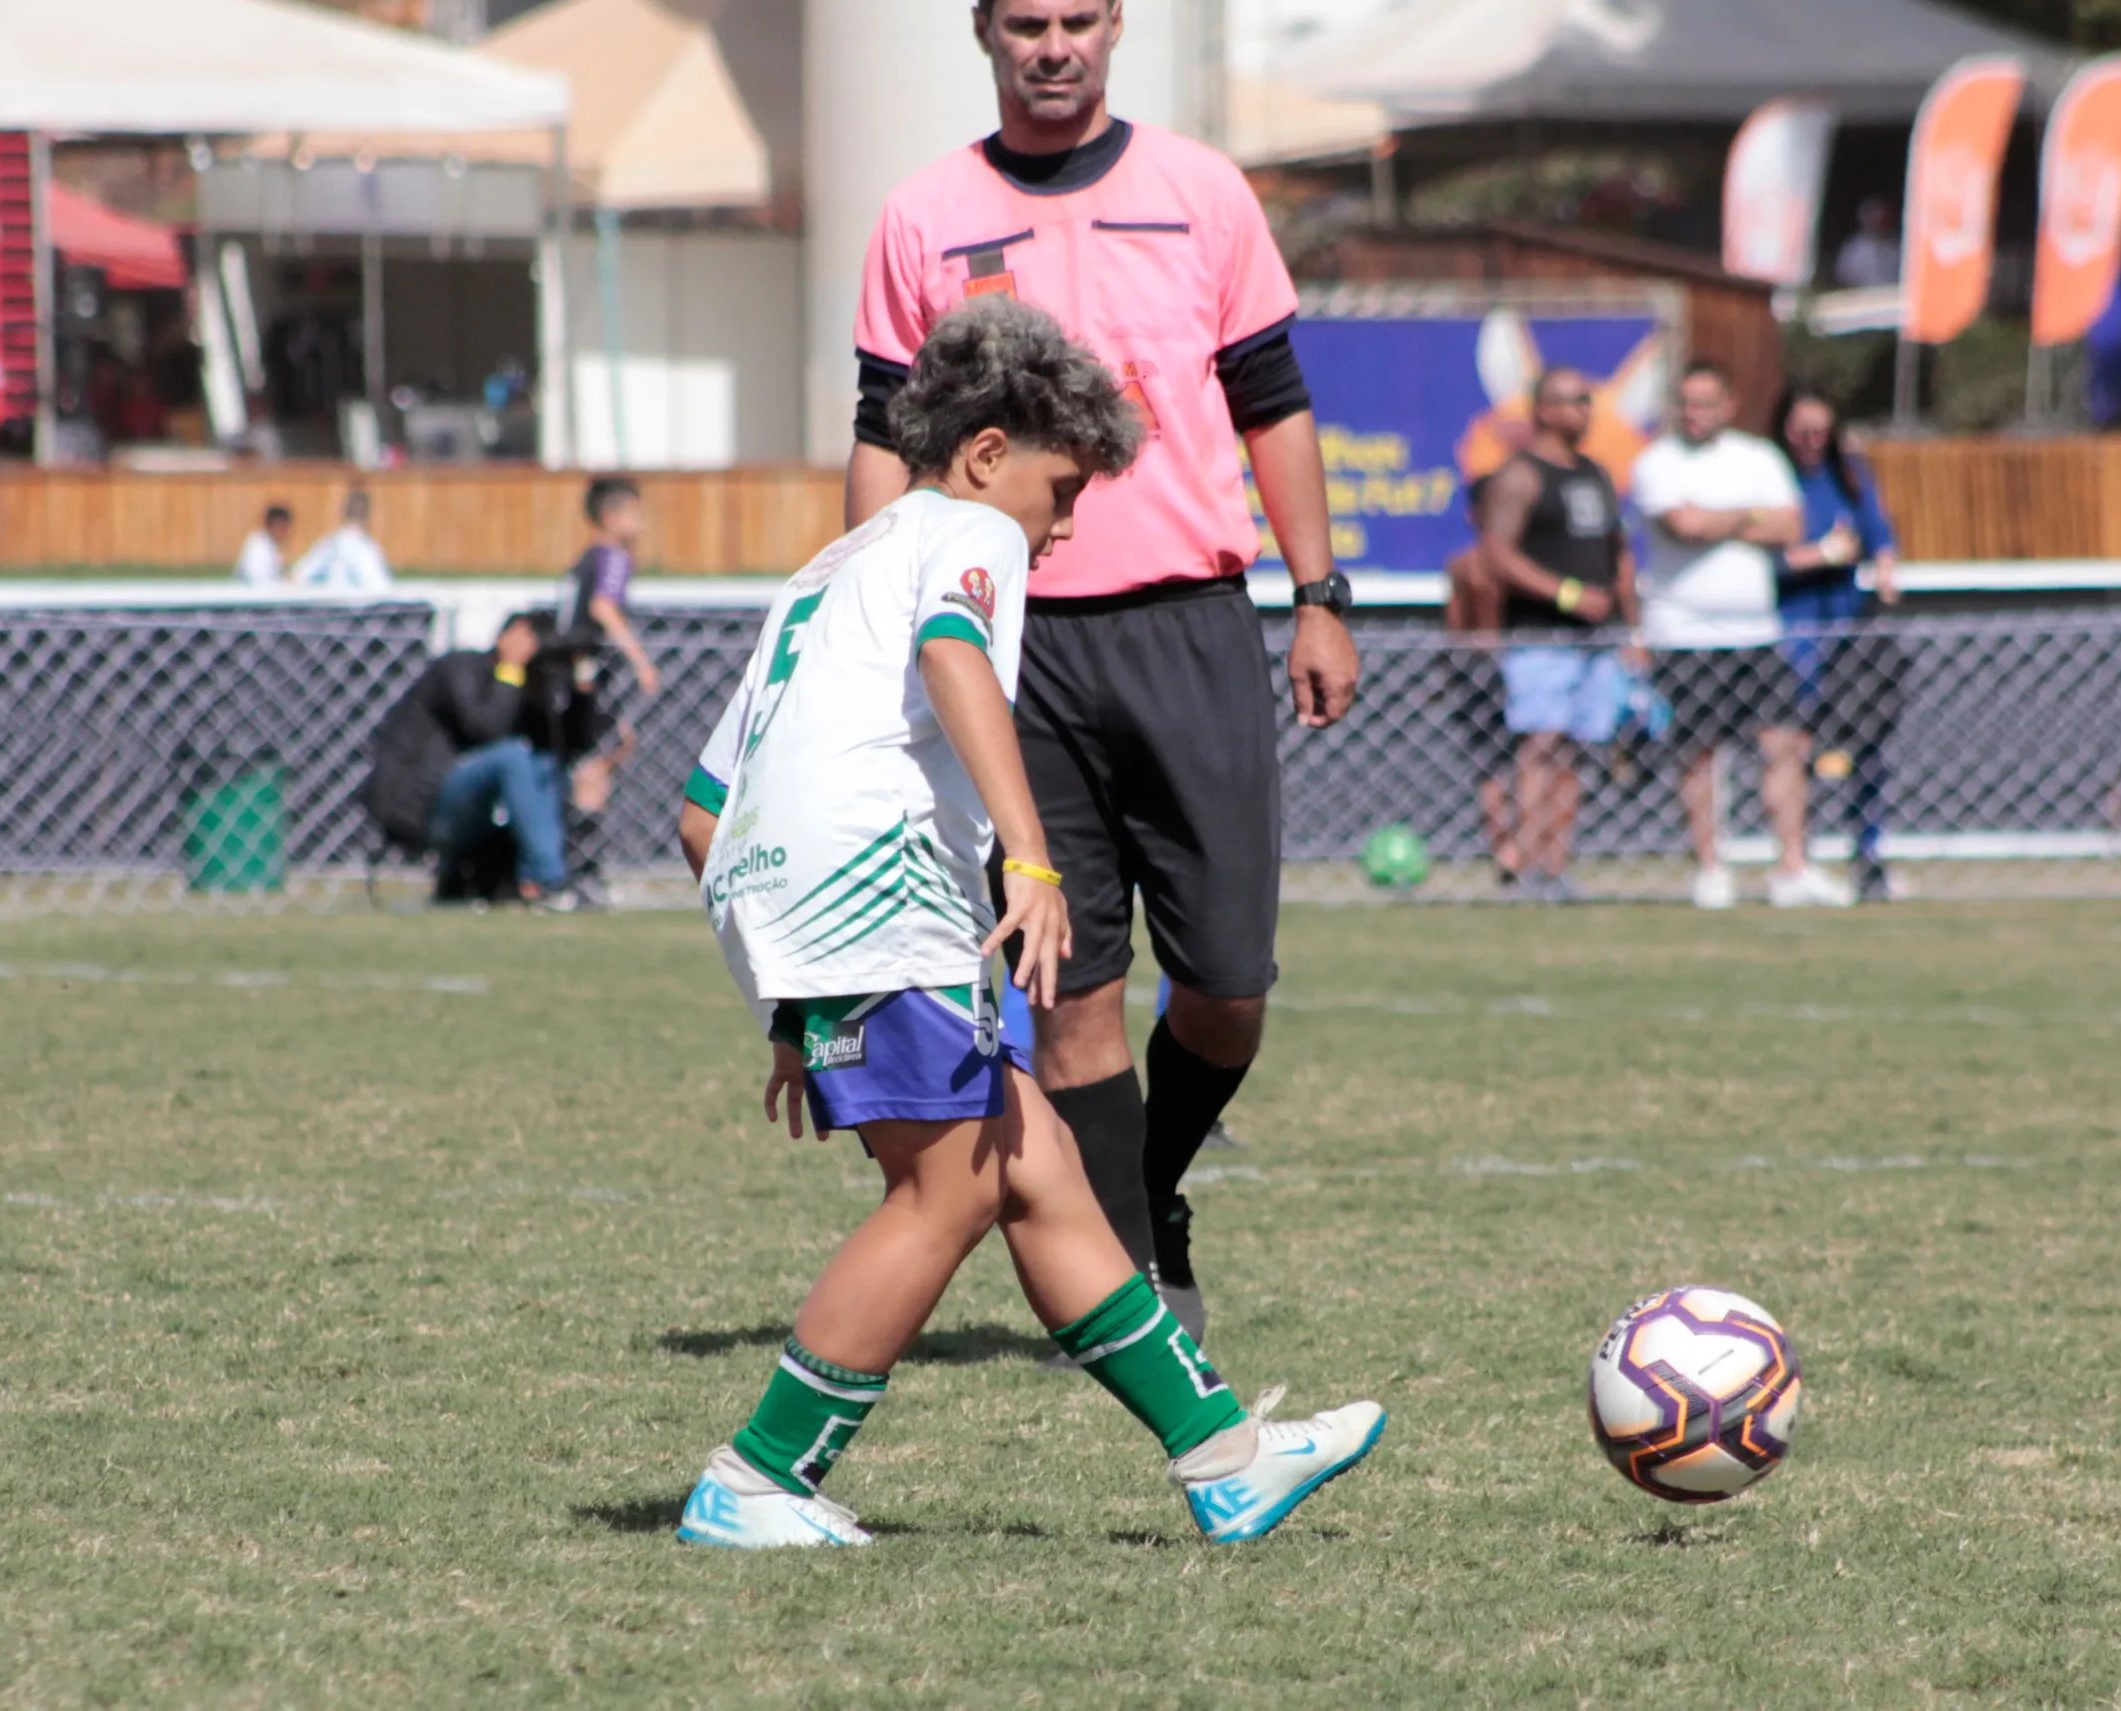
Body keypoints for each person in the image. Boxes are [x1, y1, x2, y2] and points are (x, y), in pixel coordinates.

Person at [672, 299, 1384, 1551]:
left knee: (1039, 1168)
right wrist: (1033, 857)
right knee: (945, 1192)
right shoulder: (967, 532)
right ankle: (758, 1477)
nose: (1065, 526)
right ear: (989, 452)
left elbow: (698, 811)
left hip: (792, 904)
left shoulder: (830, 567)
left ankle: (1223, 1458)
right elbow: (953, 651)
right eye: (1063, 490)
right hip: (875, 893)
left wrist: (791, 995)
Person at [842, 0, 1361, 1348]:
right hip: (1008, 644)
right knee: (1068, 996)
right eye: (1027, 21)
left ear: (1118, 25)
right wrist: (871, 598)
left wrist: (1319, 595)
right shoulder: (921, 213)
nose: (1053, 44)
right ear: (985, 33)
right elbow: (879, 436)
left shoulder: (1200, 190)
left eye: (1078, 17)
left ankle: (1148, 1192)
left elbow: (1273, 399)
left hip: (1189, 620)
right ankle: (1138, 1292)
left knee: (1230, 984)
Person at [1631, 361, 1851, 910]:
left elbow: (1789, 527)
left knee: (1785, 743)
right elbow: (1683, 526)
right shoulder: (1658, 462)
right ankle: (1711, 869)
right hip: (1683, 632)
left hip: (1755, 631)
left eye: (1706, 402)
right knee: (1699, 753)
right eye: (1686, 401)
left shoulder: (1758, 458)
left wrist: (1718, 518)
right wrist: (1748, 516)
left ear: (1729, 406)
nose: (1695, 412)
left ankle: (1791, 868)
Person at [1471, 368, 1635, 898]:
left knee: (1578, 752)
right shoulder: (1520, 475)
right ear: (1542, 409)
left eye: (1587, 402)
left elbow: (1618, 551)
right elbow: (1496, 554)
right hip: (1541, 636)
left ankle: (1555, 866)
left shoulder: (1595, 473)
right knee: (1540, 746)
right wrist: (1565, 593)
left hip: (1597, 641)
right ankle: (1523, 866)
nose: (1583, 412)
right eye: (1571, 402)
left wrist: (1631, 623)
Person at [1773, 384, 1905, 903]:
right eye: (1801, 430)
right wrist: (1820, 554)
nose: (1811, 440)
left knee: (1865, 742)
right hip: (1794, 628)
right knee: (1796, 743)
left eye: (1820, 431)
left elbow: (1878, 533)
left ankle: (1868, 853)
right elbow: (1770, 557)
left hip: (1848, 630)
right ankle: (1796, 857)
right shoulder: (1774, 476)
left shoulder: (1849, 473)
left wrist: (1886, 566)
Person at [363, 613, 574, 906]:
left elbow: (565, 748)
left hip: (472, 809)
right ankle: (551, 882)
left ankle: (536, 882)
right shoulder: (459, 668)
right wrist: (511, 667)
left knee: (544, 764)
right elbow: (486, 728)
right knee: (512, 757)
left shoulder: (526, 687)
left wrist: (578, 687)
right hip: (419, 806)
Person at [554, 476, 661, 698]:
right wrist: (641, 662)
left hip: (565, 662)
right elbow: (602, 607)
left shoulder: (588, 557)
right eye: (635, 516)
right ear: (611, 519)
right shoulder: (614, 558)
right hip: (586, 665)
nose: (642, 524)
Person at [293, 489, 393, 590]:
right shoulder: (365, 548)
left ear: (343, 513)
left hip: (326, 602)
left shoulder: (328, 543)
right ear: (368, 515)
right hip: (353, 603)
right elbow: (379, 586)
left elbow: (300, 575)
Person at [1833, 198, 1902, 292]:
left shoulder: (1897, 245)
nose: (1878, 223)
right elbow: (1844, 278)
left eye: (1882, 219)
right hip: (1863, 301)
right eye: (1872, 219)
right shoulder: (1853, 248)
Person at [234, 505, 294, 588]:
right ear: (275, 525)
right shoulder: (258, 547)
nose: (288, 532)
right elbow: (259, 582)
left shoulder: (270, 546)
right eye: (286, 527)